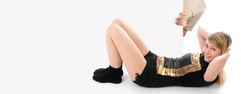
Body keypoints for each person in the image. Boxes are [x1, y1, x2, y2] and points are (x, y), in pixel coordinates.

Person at [93, 19, 231, 87]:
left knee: (113, 29)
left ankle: (114, 72)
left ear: (222, 54)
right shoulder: (206, 55)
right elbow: (200, 29)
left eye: (213, 49)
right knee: (118, 22)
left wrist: (226, 51)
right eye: (207, 46)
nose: (206, 51)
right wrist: (216, 42)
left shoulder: (209, 73)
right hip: (154, 59)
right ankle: (114, 70)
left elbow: (219, 61)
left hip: (149, 74)